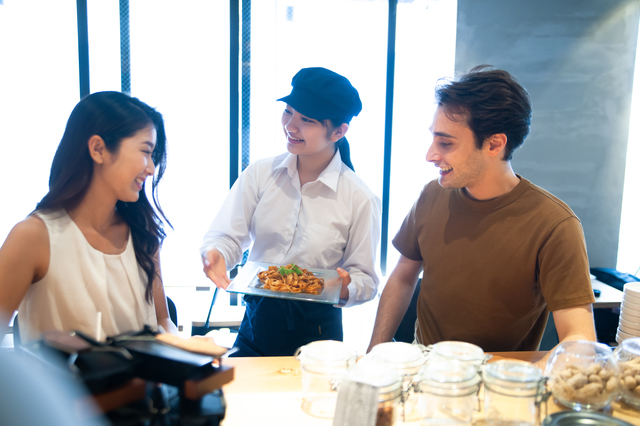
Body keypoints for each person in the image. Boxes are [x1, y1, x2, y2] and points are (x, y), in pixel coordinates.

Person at [367, 66, 596, 368]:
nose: (430, 155)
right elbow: (403, 276)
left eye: (446, 143)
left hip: (500, 378)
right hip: (425, 370)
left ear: (494, 144)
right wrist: (373, 354)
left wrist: (519, 382)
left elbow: (581, 340)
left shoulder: (554, 224)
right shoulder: (431, 195)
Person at [201, 67, 381, 357]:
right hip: (256, 325)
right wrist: (216, 254)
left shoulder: (359, 198)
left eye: (306, 120)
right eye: (288, 112)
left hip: (319, 336)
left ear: (339, 131)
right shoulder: (261, 173)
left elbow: (368, 281)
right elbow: (226, 237)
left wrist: (345, 286)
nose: (290, 126)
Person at [0, 91, 178, 343]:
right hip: (66, 383)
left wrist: (182, 346)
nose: (150, 168)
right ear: (98, 149)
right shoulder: (33, 236)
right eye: (145, 151)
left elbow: (162, 319)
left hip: (145, 382)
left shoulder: (142, 232)